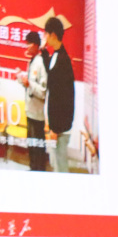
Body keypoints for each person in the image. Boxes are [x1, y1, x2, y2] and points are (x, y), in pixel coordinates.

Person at [44, 16, 76, 172]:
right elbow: (50, 75)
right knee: (56, 163)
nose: (44, 37)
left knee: (61, 166)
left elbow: (63, 97)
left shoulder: (63, 61)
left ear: (53, 35)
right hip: (56, 125)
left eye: (46, 34)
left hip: (60, 128)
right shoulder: (55, 56)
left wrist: (56, 128)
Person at [18, 30, 49, 170]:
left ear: (36, 45)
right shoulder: (32, 62)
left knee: (37, 149)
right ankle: (32, 169)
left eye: (29, 43)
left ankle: (38, 171)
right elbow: (30, 85)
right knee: (31, 146)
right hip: (30, 111)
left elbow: (43, 91)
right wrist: (21, 79)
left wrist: (29, 84)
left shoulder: (41, 63)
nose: (27, 46)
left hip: (37, 115)